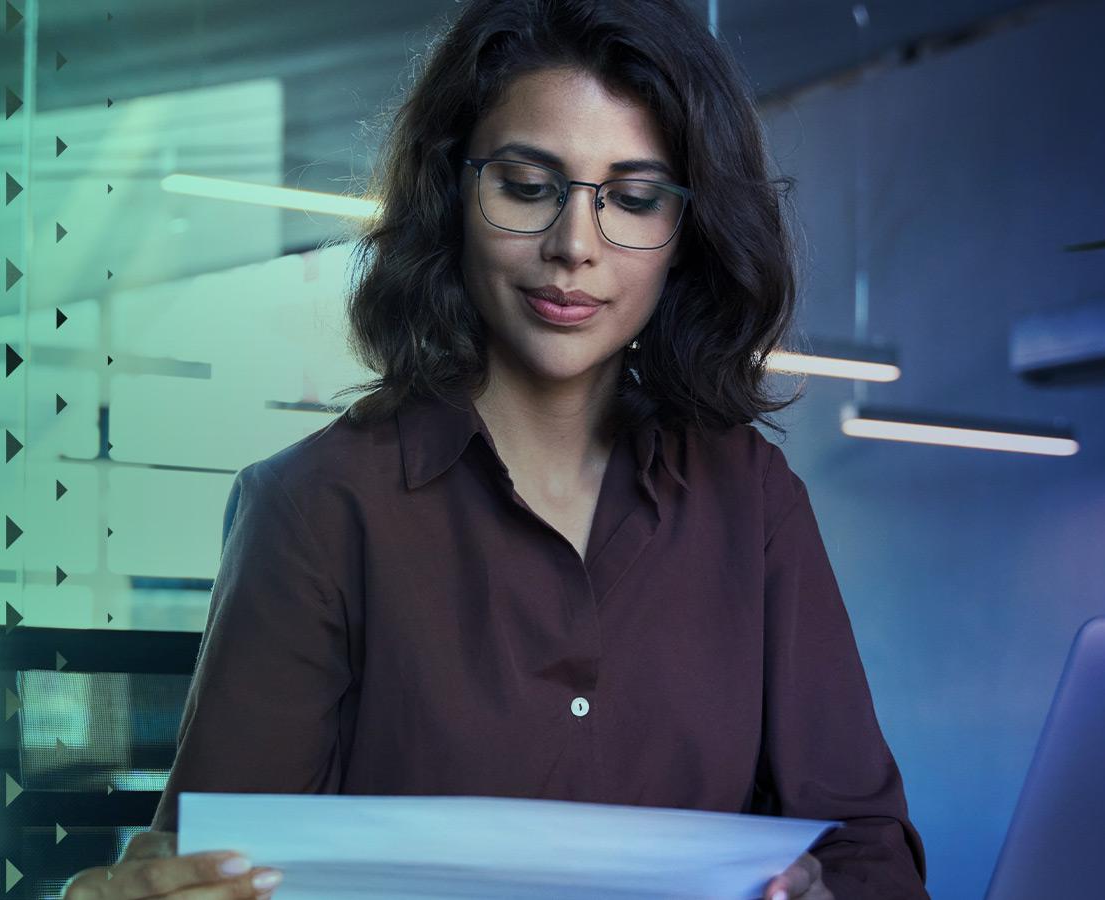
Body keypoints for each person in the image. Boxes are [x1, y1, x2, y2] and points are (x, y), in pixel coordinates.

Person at [57, 0, 927, 897]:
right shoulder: (318, 506)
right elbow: (216, 870)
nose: (574, 247)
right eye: (525, 185)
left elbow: (867, 845)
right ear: (453, 196)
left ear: (686, 235)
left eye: (632, 199)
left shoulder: (754, 500)